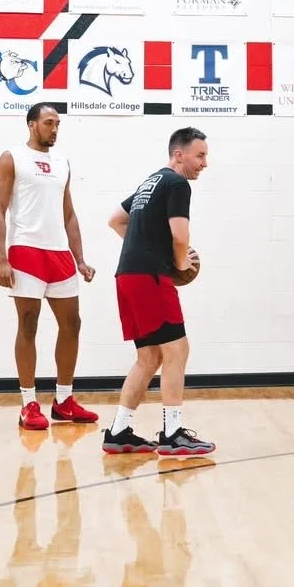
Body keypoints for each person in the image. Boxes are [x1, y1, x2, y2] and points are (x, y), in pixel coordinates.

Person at [102, 127, 216, 456]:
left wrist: (146, 248)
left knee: (149, 356)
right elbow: (180, 237)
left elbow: (115, 220)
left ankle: (119, 431)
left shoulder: (149, 182)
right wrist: (177, 263)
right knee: (177, 350)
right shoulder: (177, 184)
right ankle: (173, 433)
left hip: (127, 274)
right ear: (179, 155)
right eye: (200, 155)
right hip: (148, 277)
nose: (204, 163)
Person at [0, 102, 98, 431]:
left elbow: (69, 214)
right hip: (25, 252)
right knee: (28, 326)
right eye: (49, 123)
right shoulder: (12, 157)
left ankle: (64, 401)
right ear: (32, 125)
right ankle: (28, 404)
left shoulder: (63, 162)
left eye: (57, 124)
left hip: (59, 254)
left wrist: (80, 258)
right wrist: (1, 258)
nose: (54, 129)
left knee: (73, 325)